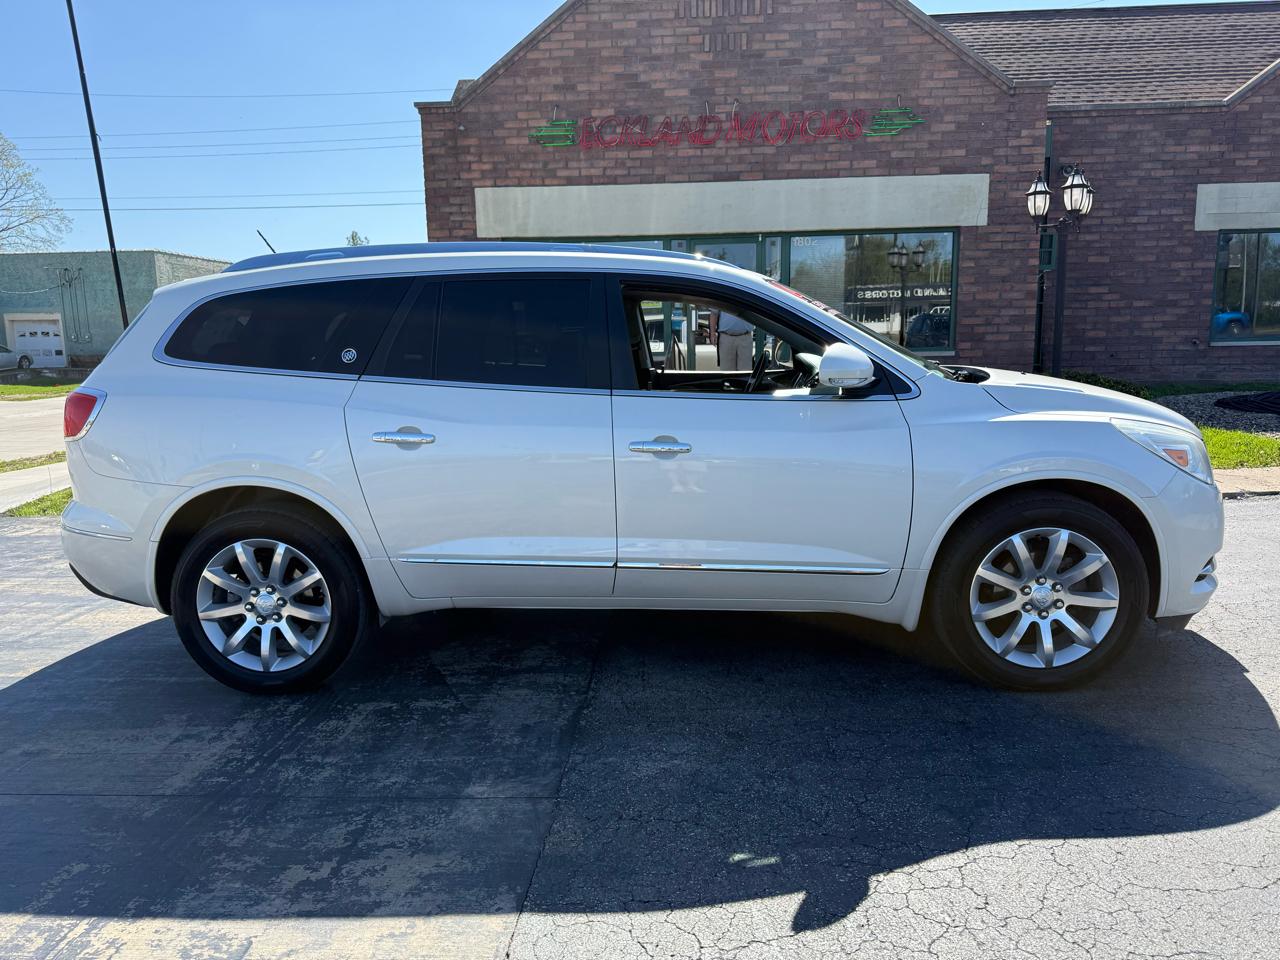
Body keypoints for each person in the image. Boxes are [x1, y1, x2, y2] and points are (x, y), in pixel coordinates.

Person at [710, 306, 753, 371]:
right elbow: (714, 313)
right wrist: (712, 333)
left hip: (745, 337)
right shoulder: (724, 296)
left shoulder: (749, 295)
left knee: (745, 372)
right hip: (726, 337)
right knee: (727, 372)